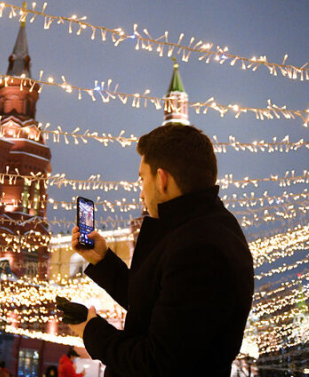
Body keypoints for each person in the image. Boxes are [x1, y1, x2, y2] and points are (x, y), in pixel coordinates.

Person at [69, 124, 254, 377]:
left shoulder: (199, 248)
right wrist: (102, 260)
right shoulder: (199, 229)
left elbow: (158, 362)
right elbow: (155, 303)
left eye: (143, 179)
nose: (142, 193)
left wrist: (92, 331)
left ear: (163, 178)